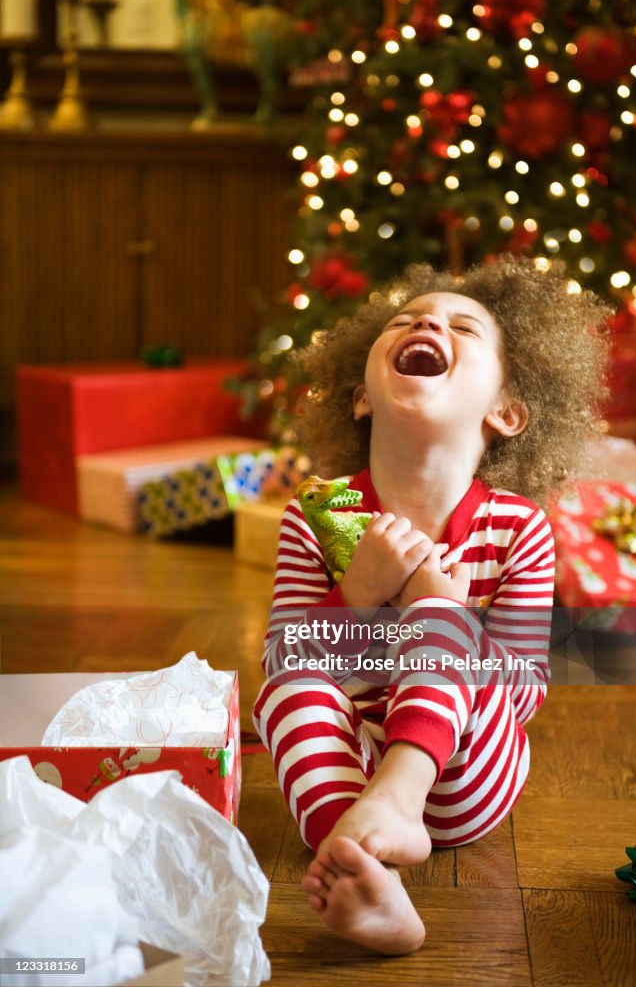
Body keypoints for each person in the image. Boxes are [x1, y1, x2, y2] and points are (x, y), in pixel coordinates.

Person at [253, 256, 609, 955]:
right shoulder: (313, 519)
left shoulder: (516, 528)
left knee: (442, 618)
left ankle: (397, 800)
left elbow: (524, 694)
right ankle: (364, 875)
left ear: (505, 412)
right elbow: (285, 659)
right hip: (344, 777)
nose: (424, 322)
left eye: (461, 326)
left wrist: (444, 620)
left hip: (464, 776)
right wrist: (358, 592)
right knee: (281, 687)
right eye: (406, 320)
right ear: (360, 398)